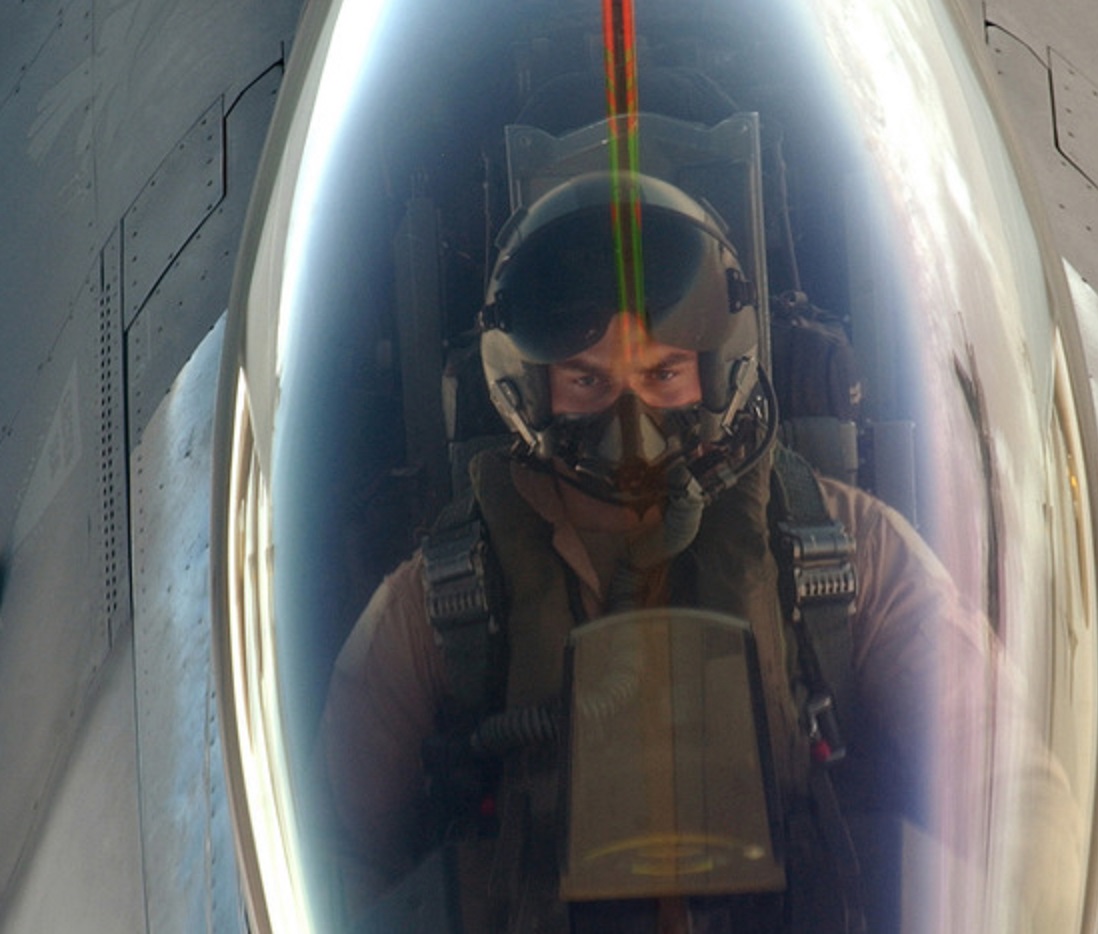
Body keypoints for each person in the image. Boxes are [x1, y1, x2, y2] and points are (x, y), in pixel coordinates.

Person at [316, 171, 1029, 932]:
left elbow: (1008, 786)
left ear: (716, 369)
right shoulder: (445, 600)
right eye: (587, 380)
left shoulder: (839, 552)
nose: (630, 421)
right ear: (532, 388)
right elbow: (336, 861)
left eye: (662, 374)